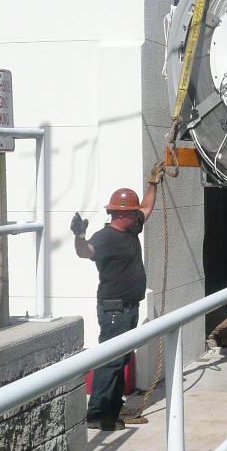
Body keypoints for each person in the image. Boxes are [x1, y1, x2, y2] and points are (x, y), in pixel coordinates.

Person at [71, 161, 166, 430]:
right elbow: (85, 251)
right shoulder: (105, 237)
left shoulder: (132, 226)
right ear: (119, 214)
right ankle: (99, 415)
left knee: (120, 359)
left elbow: (146, 207)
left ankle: (112, 407)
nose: (137, 214)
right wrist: (79, 235)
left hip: (128, 307)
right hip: (114, 310)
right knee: (111, 362)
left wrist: (153, 183)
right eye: (131, 211)